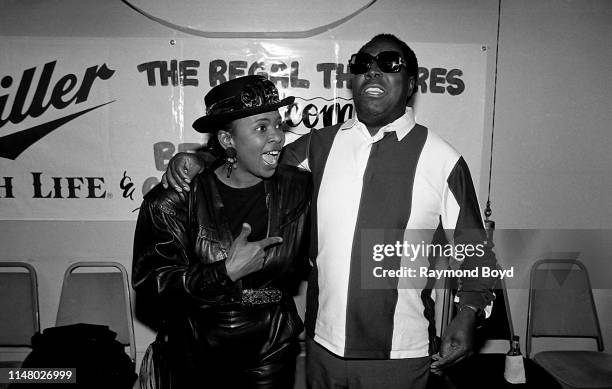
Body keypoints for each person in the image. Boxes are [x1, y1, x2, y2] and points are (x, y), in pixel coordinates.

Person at [161, 34, 498, 389]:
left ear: (411, 83)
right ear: (352, 79)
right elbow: (254, 162)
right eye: (362, 66)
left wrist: (468, 313)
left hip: (399, 354)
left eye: (389, 64)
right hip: (321, 348)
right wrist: (201, 159)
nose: (373, 73)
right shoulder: (321, 144)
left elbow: (475, 250)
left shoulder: (443, 159)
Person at [132, 75, 312, 389]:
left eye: (278, 125)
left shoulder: (299, 189)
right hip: (193, 351)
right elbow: (151, 286)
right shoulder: (174, 199)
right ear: (227, 140)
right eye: (261, 128)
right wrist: (223, 272)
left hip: (271, 350)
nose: (277, 137)